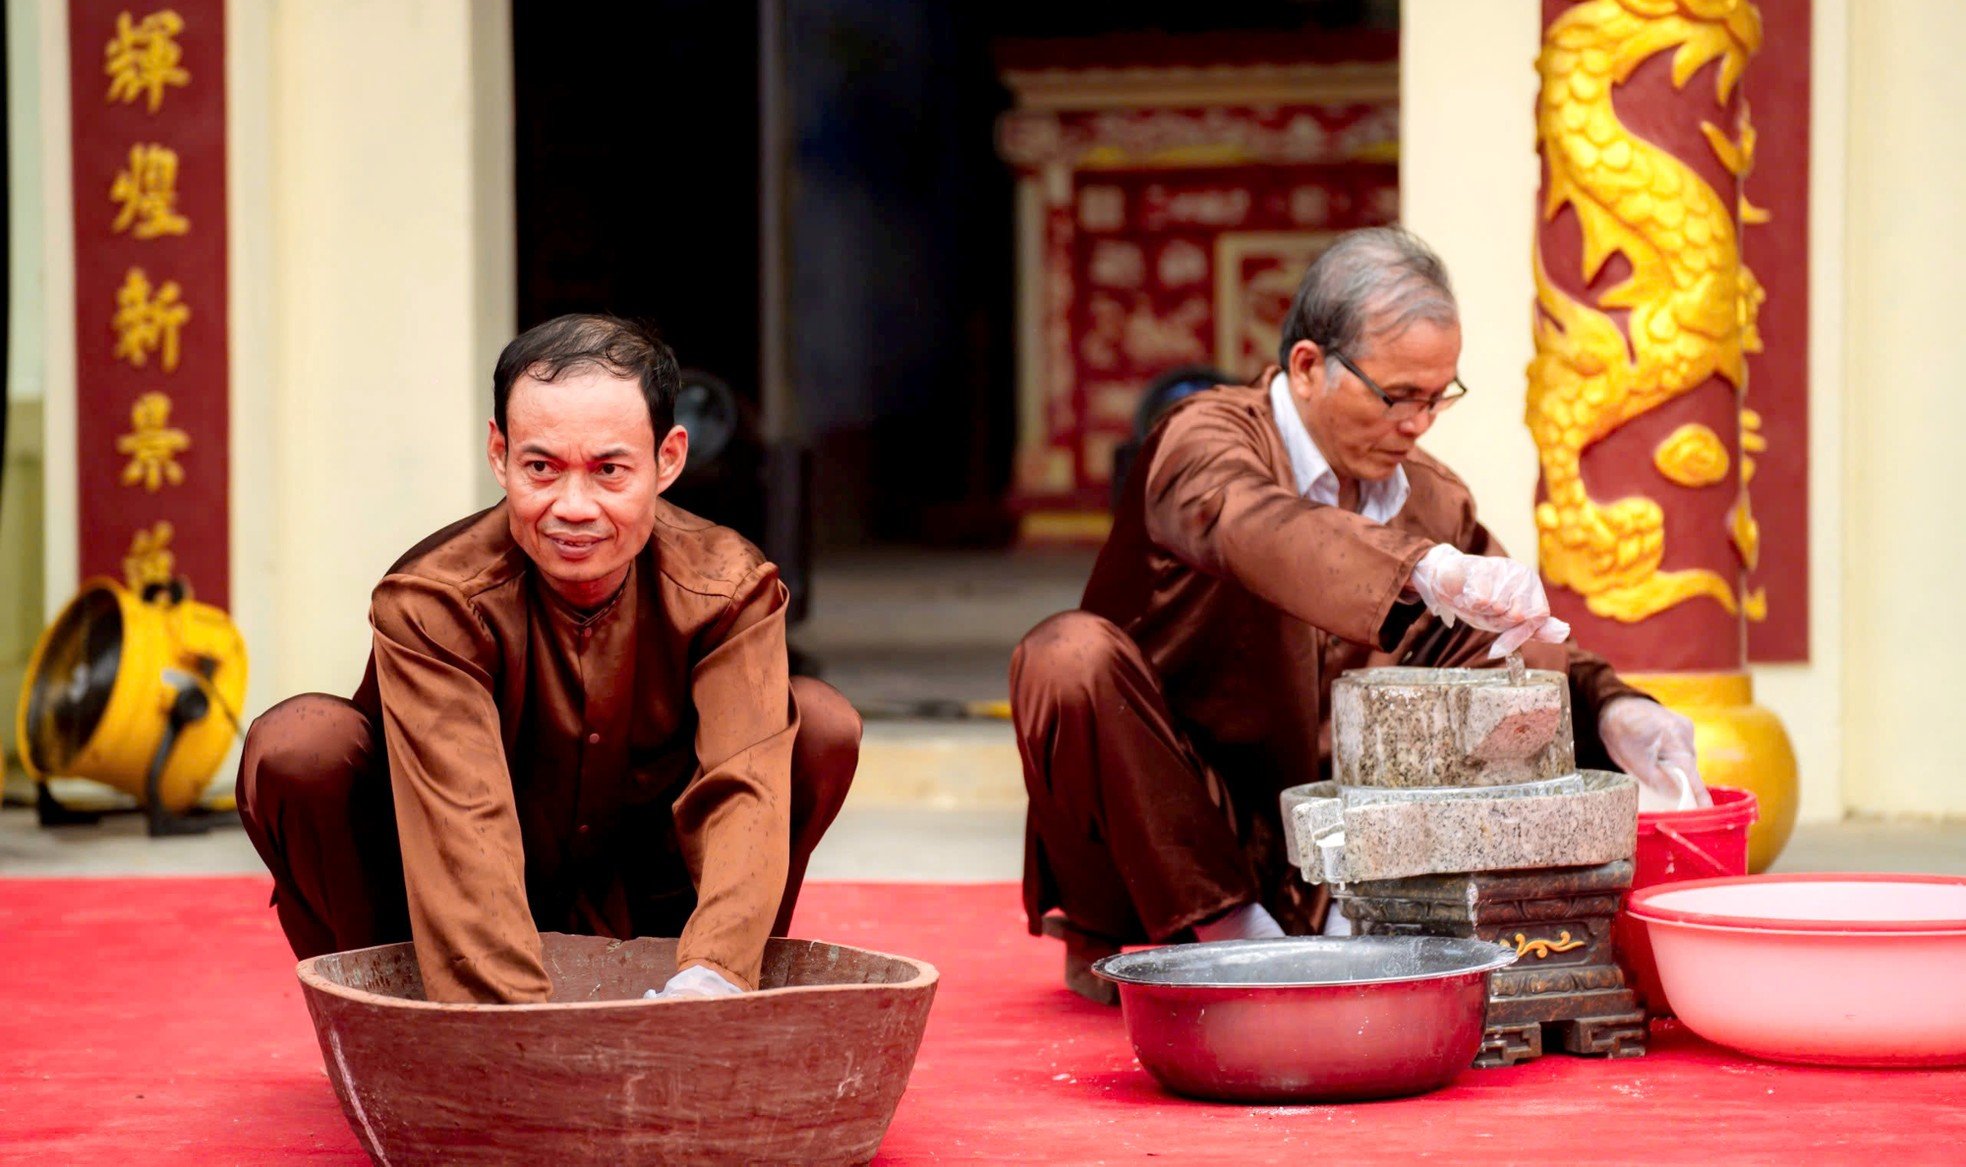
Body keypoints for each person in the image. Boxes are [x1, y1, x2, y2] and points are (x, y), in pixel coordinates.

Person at [1011, 226, 1708, 1000]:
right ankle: (1232, 946)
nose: (1418, 424)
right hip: (1161, 850)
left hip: (1316, 857)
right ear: (1308, 366)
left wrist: (1617, 708)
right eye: (1397, 396)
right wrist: (1422, 567)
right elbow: (1263, 529)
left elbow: (1521, 637)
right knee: (1067, 655)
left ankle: (1368, 921)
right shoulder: (1202, 438)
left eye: (1438, 397)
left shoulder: (1430, 495)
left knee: (1513, 652)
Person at [237, 314, 859, 1004]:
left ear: (669, 458)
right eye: (541, 467)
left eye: (609, 470)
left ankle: (712, 995)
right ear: (498, 454)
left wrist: (712, 976)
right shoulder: (436, 599)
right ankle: (384, 1011)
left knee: (822, 723)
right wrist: (519, 1032)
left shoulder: (726, 587)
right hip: (439, 915)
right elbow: (462, 823)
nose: (573, 507)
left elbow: (745, 790)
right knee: (301, 745)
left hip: (652, 904)